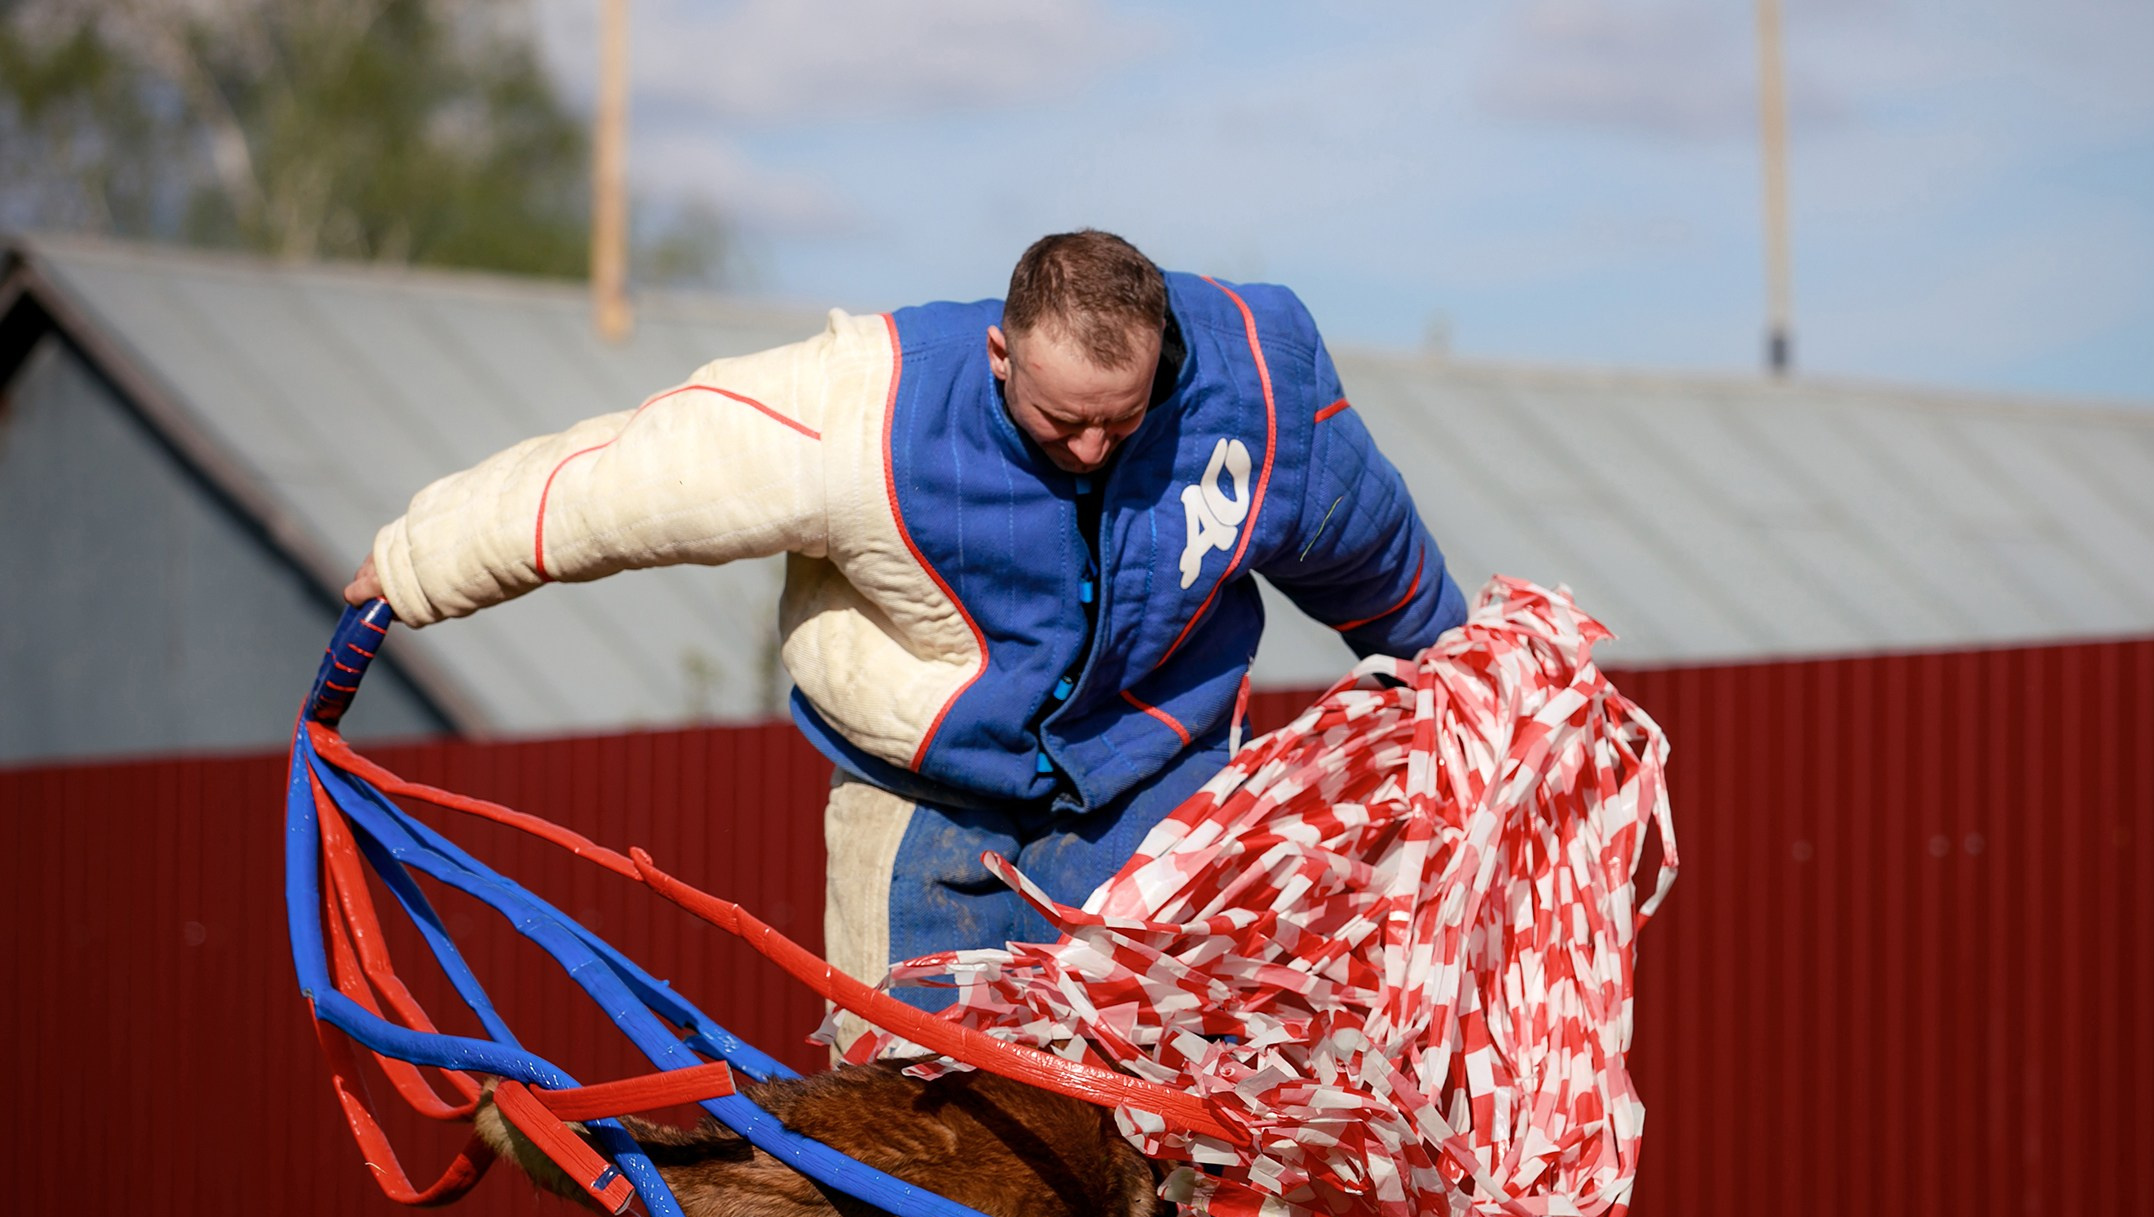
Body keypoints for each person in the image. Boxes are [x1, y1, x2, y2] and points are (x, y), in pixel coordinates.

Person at [346, 229, 1465, 1042]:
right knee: (908, 1089)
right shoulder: (866, 411)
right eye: (1060, 420)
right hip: (922, 789)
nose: (1089, 449)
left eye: (1120, 422)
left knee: (1163, 1072)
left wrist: (1459, 671)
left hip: (1149, 768)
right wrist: (417, 564)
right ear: (999, 356)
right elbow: (628, 483)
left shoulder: (1256, 384)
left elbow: (1359, 538)